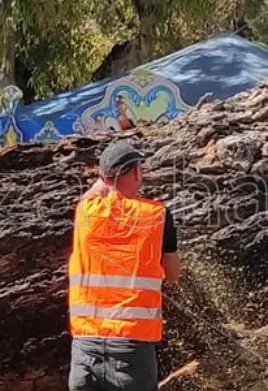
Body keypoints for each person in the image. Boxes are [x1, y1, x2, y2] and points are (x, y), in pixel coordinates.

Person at [68, 140, 179, 391]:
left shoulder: (85, 212)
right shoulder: (157, 215)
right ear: (136, 173)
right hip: (131, 353)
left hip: (85, 350)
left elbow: (92, 194)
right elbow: (172, 275)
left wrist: (105, 182)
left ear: (103, 177)